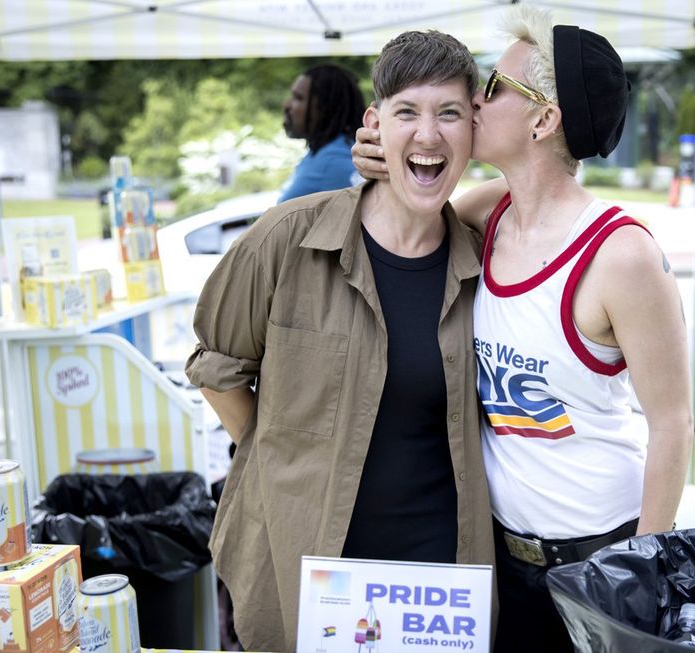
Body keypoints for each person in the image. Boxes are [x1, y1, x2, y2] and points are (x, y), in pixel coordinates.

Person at [353, 7, 693, 653]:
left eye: (494, 89)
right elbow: (405, 212)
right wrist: (379, 156)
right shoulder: (489, 212)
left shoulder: (620, 255)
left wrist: (645, 569)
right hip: (503, 555)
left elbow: (672, 422)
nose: (474, 105)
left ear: (544, 119)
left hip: (602, 554)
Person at [185, 30, 495, 653]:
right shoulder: (285, 239)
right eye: (408, 111)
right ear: (375, 124)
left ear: (474, 130)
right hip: (300, 569)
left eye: (450, 114)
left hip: (438, 593)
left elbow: (550, 194)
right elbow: (216, 369)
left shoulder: (487, 260)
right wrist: (286, 454)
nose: (429, 134)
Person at [278, 63, 364, 203]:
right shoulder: (325, 151)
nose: (287, 106)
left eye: (298, 98)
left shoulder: (335, 161)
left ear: (325, 108)